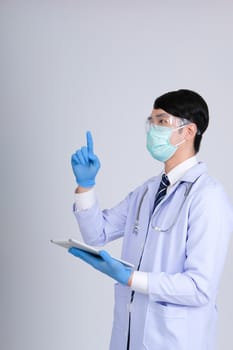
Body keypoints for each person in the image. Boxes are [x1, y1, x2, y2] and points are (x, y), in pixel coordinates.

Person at [69, 89, 233, 350]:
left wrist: (132, 278)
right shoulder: (146, 192)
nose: (152, 129)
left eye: (161, 121)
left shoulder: (208, 197)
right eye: (151, 121)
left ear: (189, 131)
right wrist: (85, 186)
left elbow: (200, 288)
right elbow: (97, 234)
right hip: (129, 339)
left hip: (177, 341)